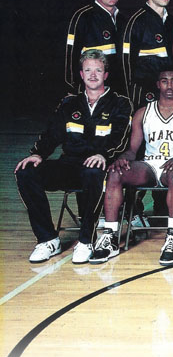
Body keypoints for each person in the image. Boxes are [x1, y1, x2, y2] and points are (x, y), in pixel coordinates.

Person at [16, 50, 132, 264]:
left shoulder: (119, 103)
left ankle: (86, 240)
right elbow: (52, 133)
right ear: (81, 74)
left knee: (92, 171)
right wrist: (38, 154)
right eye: (88, 70)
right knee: (26, 172)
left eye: (98, 70)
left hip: (99, 167)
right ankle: (48, 239)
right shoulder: (70, 104)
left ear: (106, 74)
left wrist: (103, 154)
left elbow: (121, 137)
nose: (93, 75)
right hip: (69, 165)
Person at [89, 68, 173, 265]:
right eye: (164, 81)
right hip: (150, 164)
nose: (169, 85)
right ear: (158, 84)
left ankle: (172, 237)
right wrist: (123, 158)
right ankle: (110, 237)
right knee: (115, 174)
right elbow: (133, 150)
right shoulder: (143, 112)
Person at [66, 0, 127, 94]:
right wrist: (74, 93)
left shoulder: (124, 20)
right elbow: (69, 60)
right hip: (91, 94)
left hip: (118, 93)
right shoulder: (82, 17)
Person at [121, 0, 173, 107]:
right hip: (142, 94)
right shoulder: (136, 22)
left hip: (169, 94)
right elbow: (125, 63)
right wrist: (129, 97)